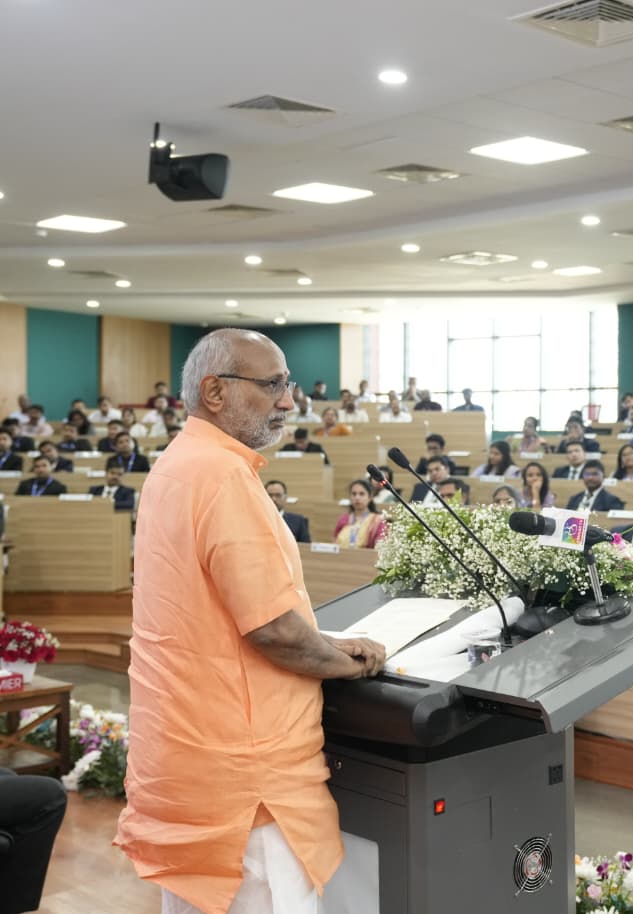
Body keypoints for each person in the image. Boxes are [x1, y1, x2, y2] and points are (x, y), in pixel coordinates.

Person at [115, 329, 386, 914]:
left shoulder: (176, 465)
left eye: (288, 385)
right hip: (246, 782)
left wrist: (323, 642)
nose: (288, 401)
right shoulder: (221, 475)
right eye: (272, 385)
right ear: (215, 392)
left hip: (186, 762)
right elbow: (274, 632)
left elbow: (213, 611)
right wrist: (352, 662)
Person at [334, 479, 388, 547]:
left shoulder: (377, 521)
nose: (357, 498)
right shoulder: (343, 519)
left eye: (361, 494)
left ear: (370, 497)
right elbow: (335, 544)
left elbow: (380, 547)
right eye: (354, 494)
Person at [265, 479, 311, 543]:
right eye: (270, 495)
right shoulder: (256, 520)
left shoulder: (299, 521)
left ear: (285, 497)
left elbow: (306, 546)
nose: (274, 499)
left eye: (278, 495)